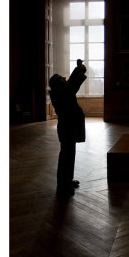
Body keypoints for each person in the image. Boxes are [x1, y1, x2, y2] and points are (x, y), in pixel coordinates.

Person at [49, 59, 87, 195]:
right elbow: (72, 84)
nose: (64, 79)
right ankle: (62, 186)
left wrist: (79, 69)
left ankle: (67, 181)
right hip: (67, 128)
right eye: (61, 78)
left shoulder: (61, 92)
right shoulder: (62, 93)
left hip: (68, 127)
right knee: (66, 156)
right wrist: (79, 69)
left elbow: (71, 84)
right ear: (58, 84)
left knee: (69, 155)